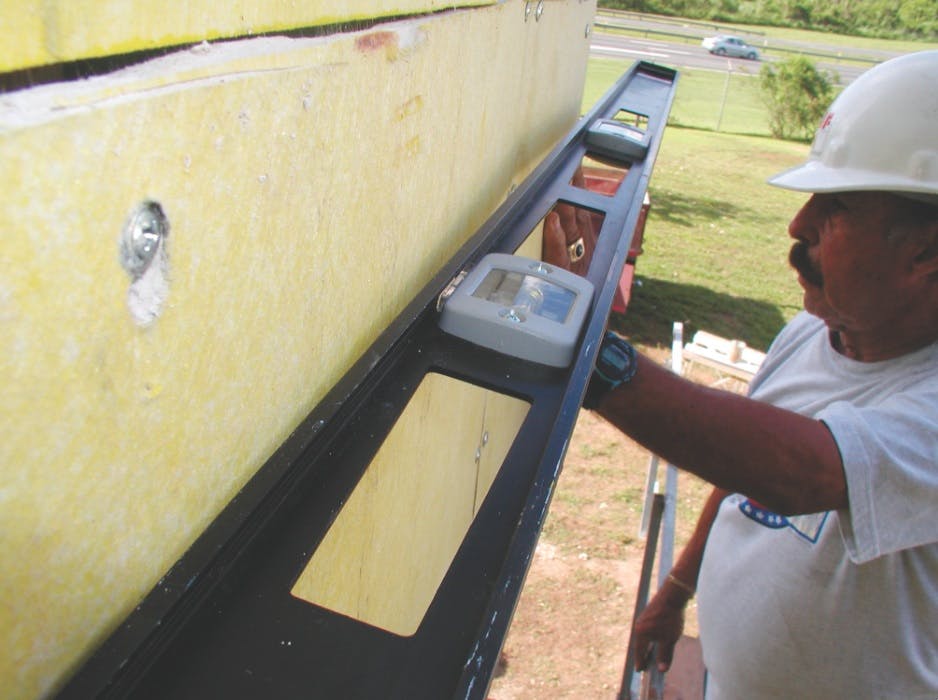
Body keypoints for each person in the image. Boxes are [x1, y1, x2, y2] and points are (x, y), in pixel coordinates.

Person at [544, 50, 938, 699]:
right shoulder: (812, 333)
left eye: (834, 207)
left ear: (926, 249)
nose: (797, 225)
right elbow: (743, 473)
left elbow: (803, 472)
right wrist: (675, 594)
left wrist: (591, 349)